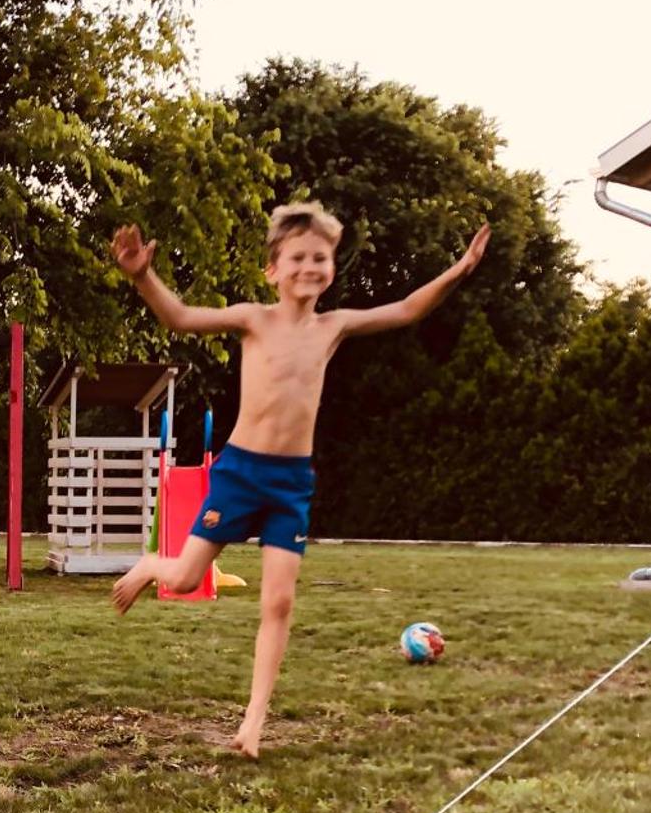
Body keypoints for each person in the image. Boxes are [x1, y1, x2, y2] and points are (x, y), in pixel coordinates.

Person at [110, 202, 490, 758]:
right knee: (188, 579)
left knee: (279, 603)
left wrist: (458, 271)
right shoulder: (252, 319)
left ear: (331, 268)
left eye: (321, 258)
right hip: (240, 472)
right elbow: (181, 317)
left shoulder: (333, 327)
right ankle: (151, 564)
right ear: (273, 269)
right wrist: (143, 276)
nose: (310, 267)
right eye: (298, 258)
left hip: (291, 483)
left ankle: (253, 722)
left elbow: (407, 310)